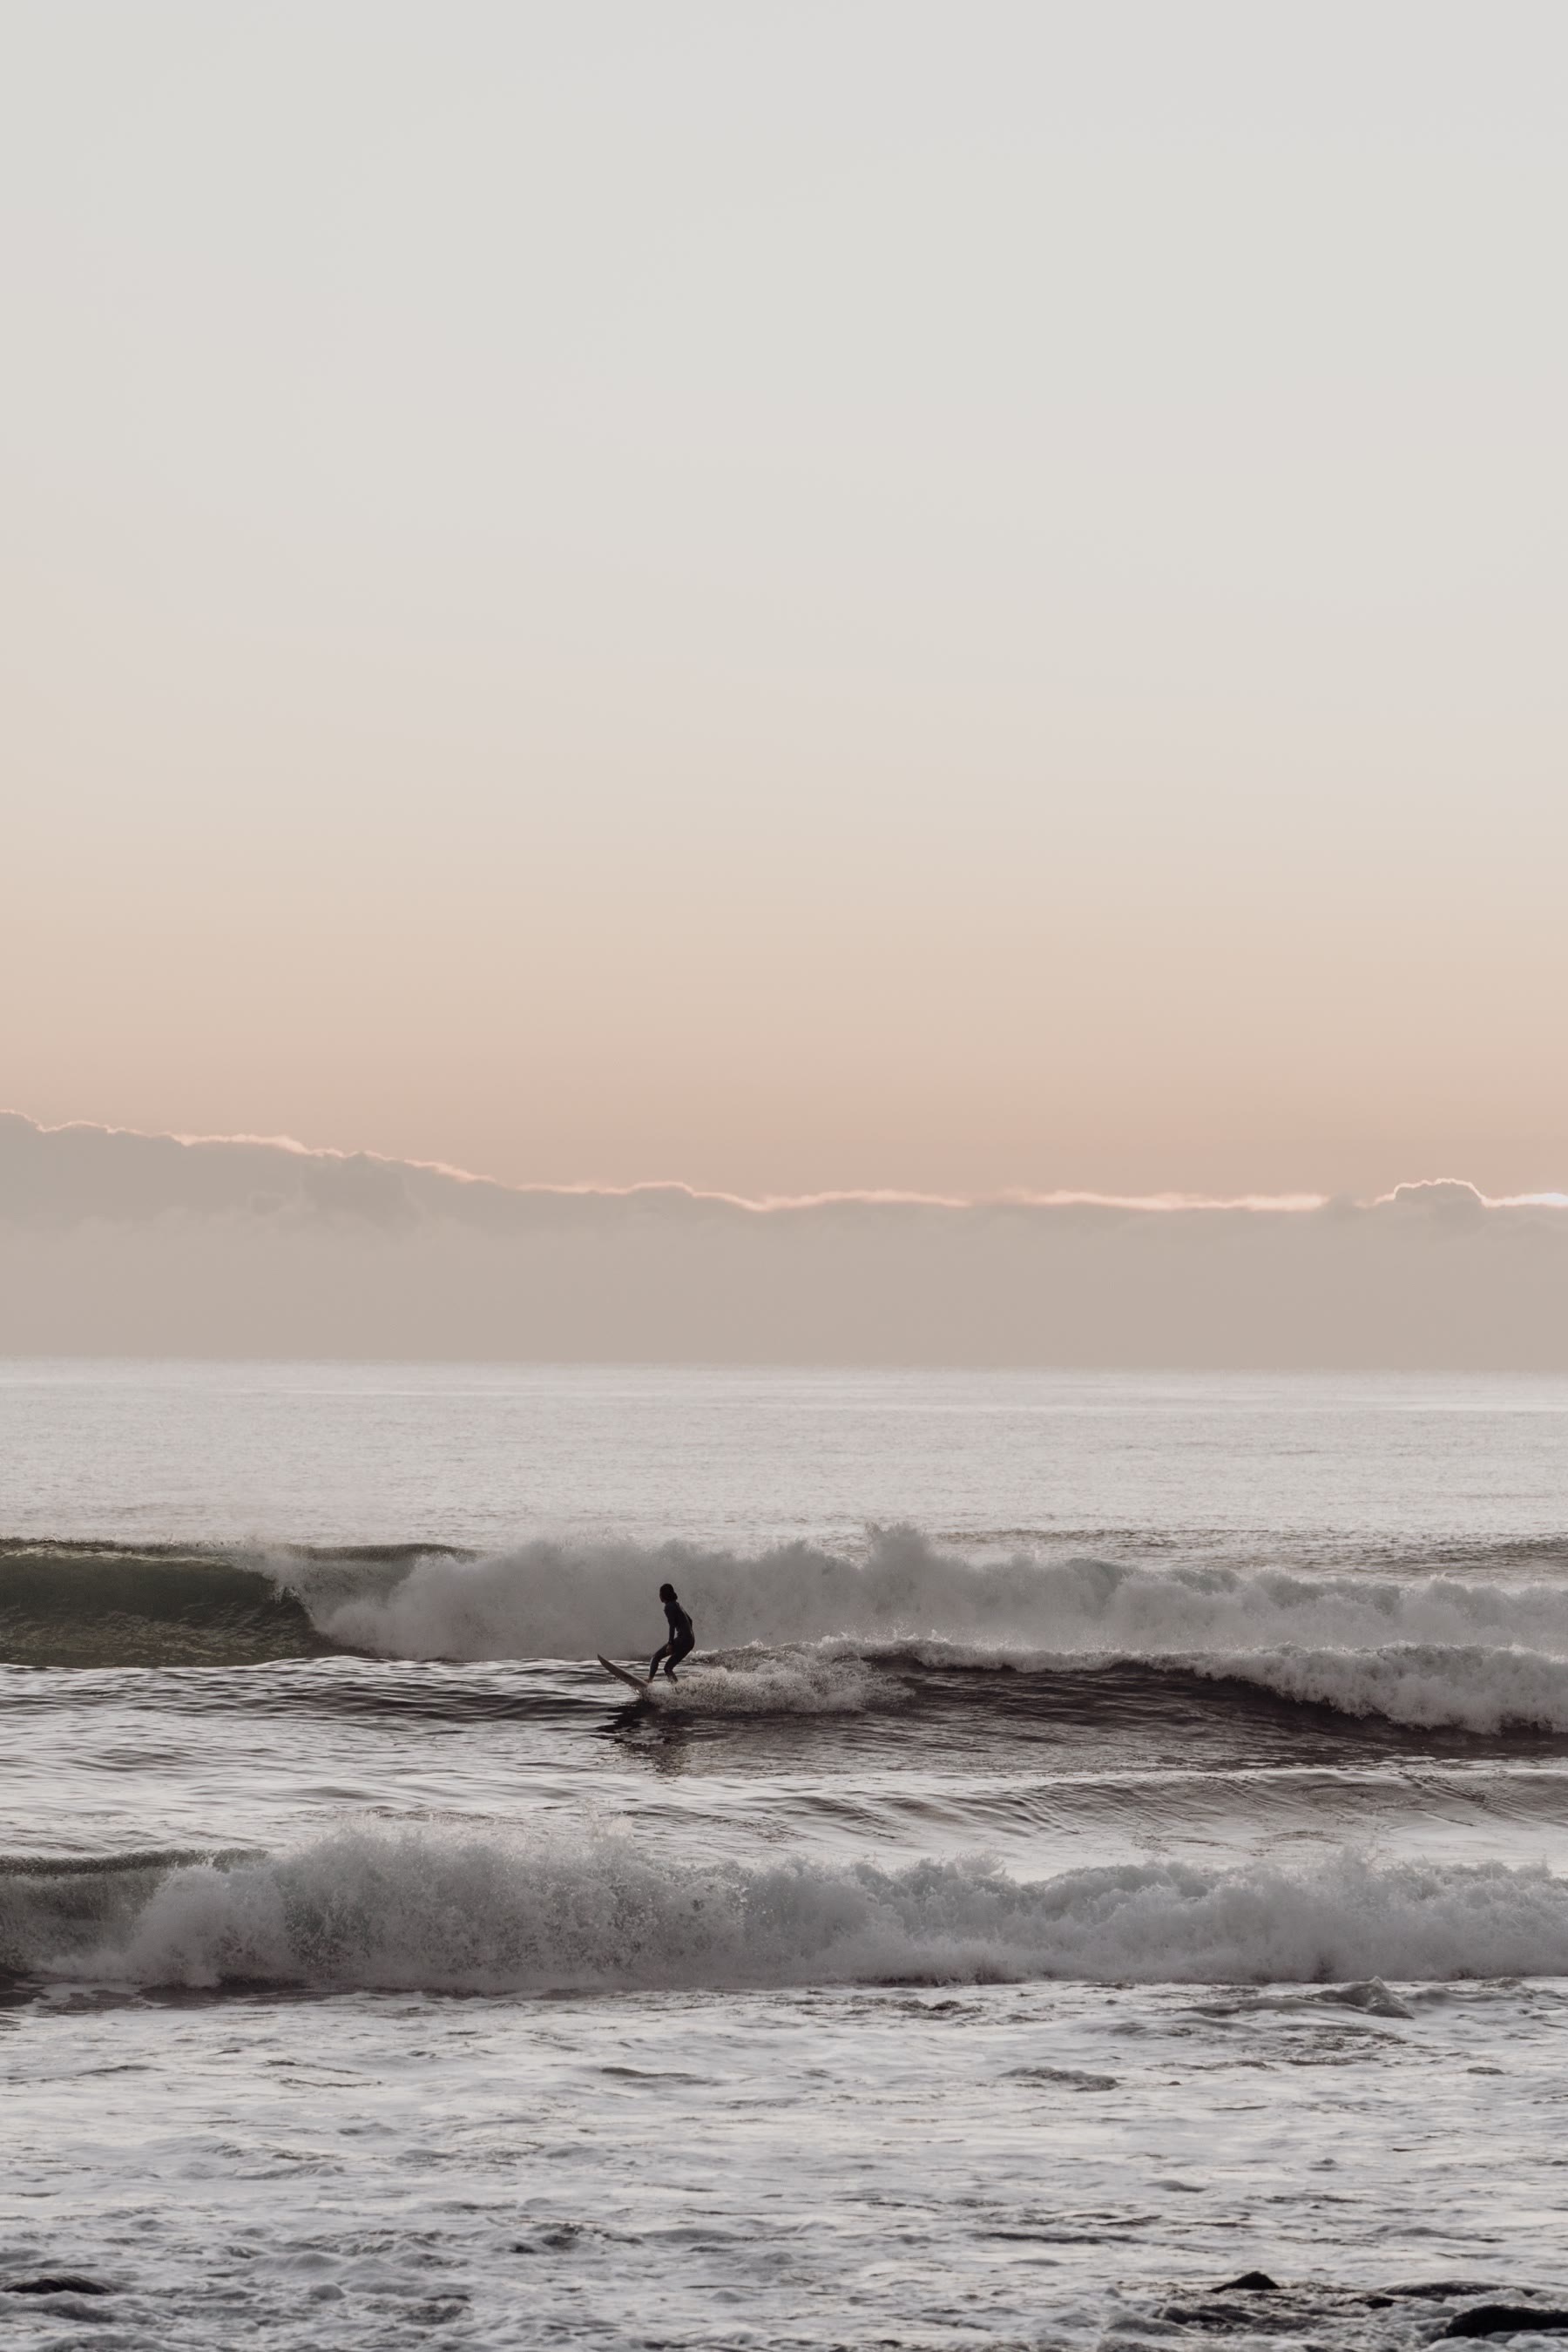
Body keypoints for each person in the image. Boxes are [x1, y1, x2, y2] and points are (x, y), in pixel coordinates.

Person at [648, 1581, 695, 1680]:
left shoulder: (669, 1606)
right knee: (668, 1668)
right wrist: (688, 1634)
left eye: (660, 1593)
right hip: (690, 1641)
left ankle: (649, 1680)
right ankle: (676, 1689)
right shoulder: (677, 1605)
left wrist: (671, 1643)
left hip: (683, 1639)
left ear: (663, 1595)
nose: (659, 1596)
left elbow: (672, 1626)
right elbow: (690, 1621)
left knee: (655, 1657)